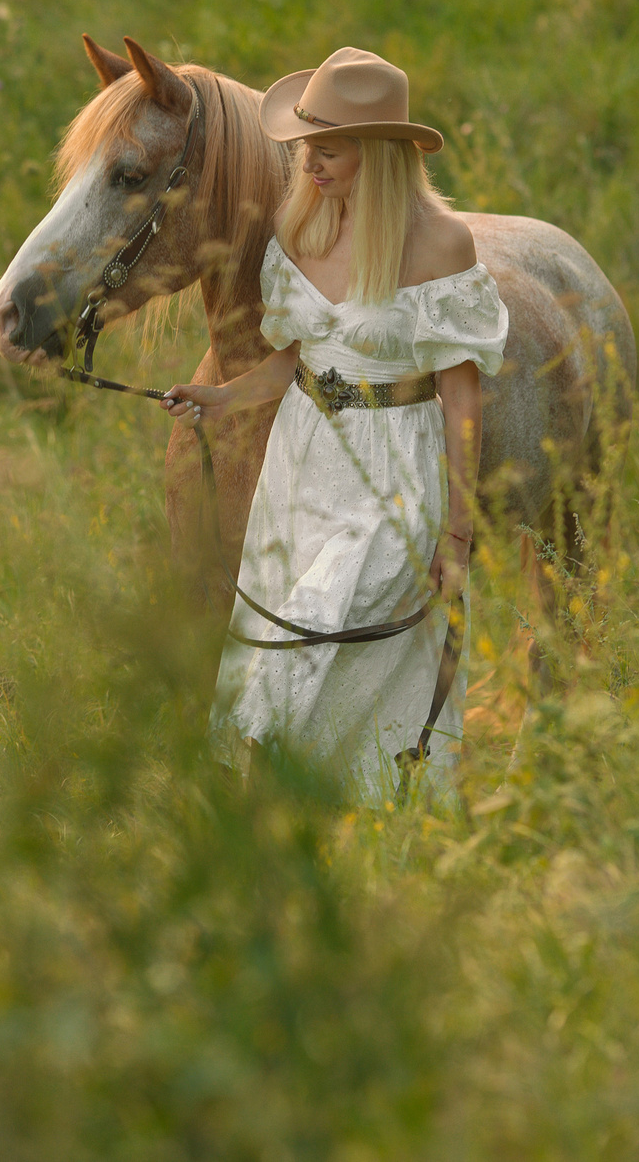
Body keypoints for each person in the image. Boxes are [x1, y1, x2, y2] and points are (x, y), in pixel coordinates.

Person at [161, 47, 508, 798]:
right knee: (298, 634)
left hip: (392, 468)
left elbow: (461, 397)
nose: (308, 162)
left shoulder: (441, 246)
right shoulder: (300, 230)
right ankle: (320, 813)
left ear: (378, 155)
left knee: (319, 631)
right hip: (304, 457)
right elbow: (292, 362)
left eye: (329, 149)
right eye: (305, 145)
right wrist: (219, 399)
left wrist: (458, 532)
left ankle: (275, 784)